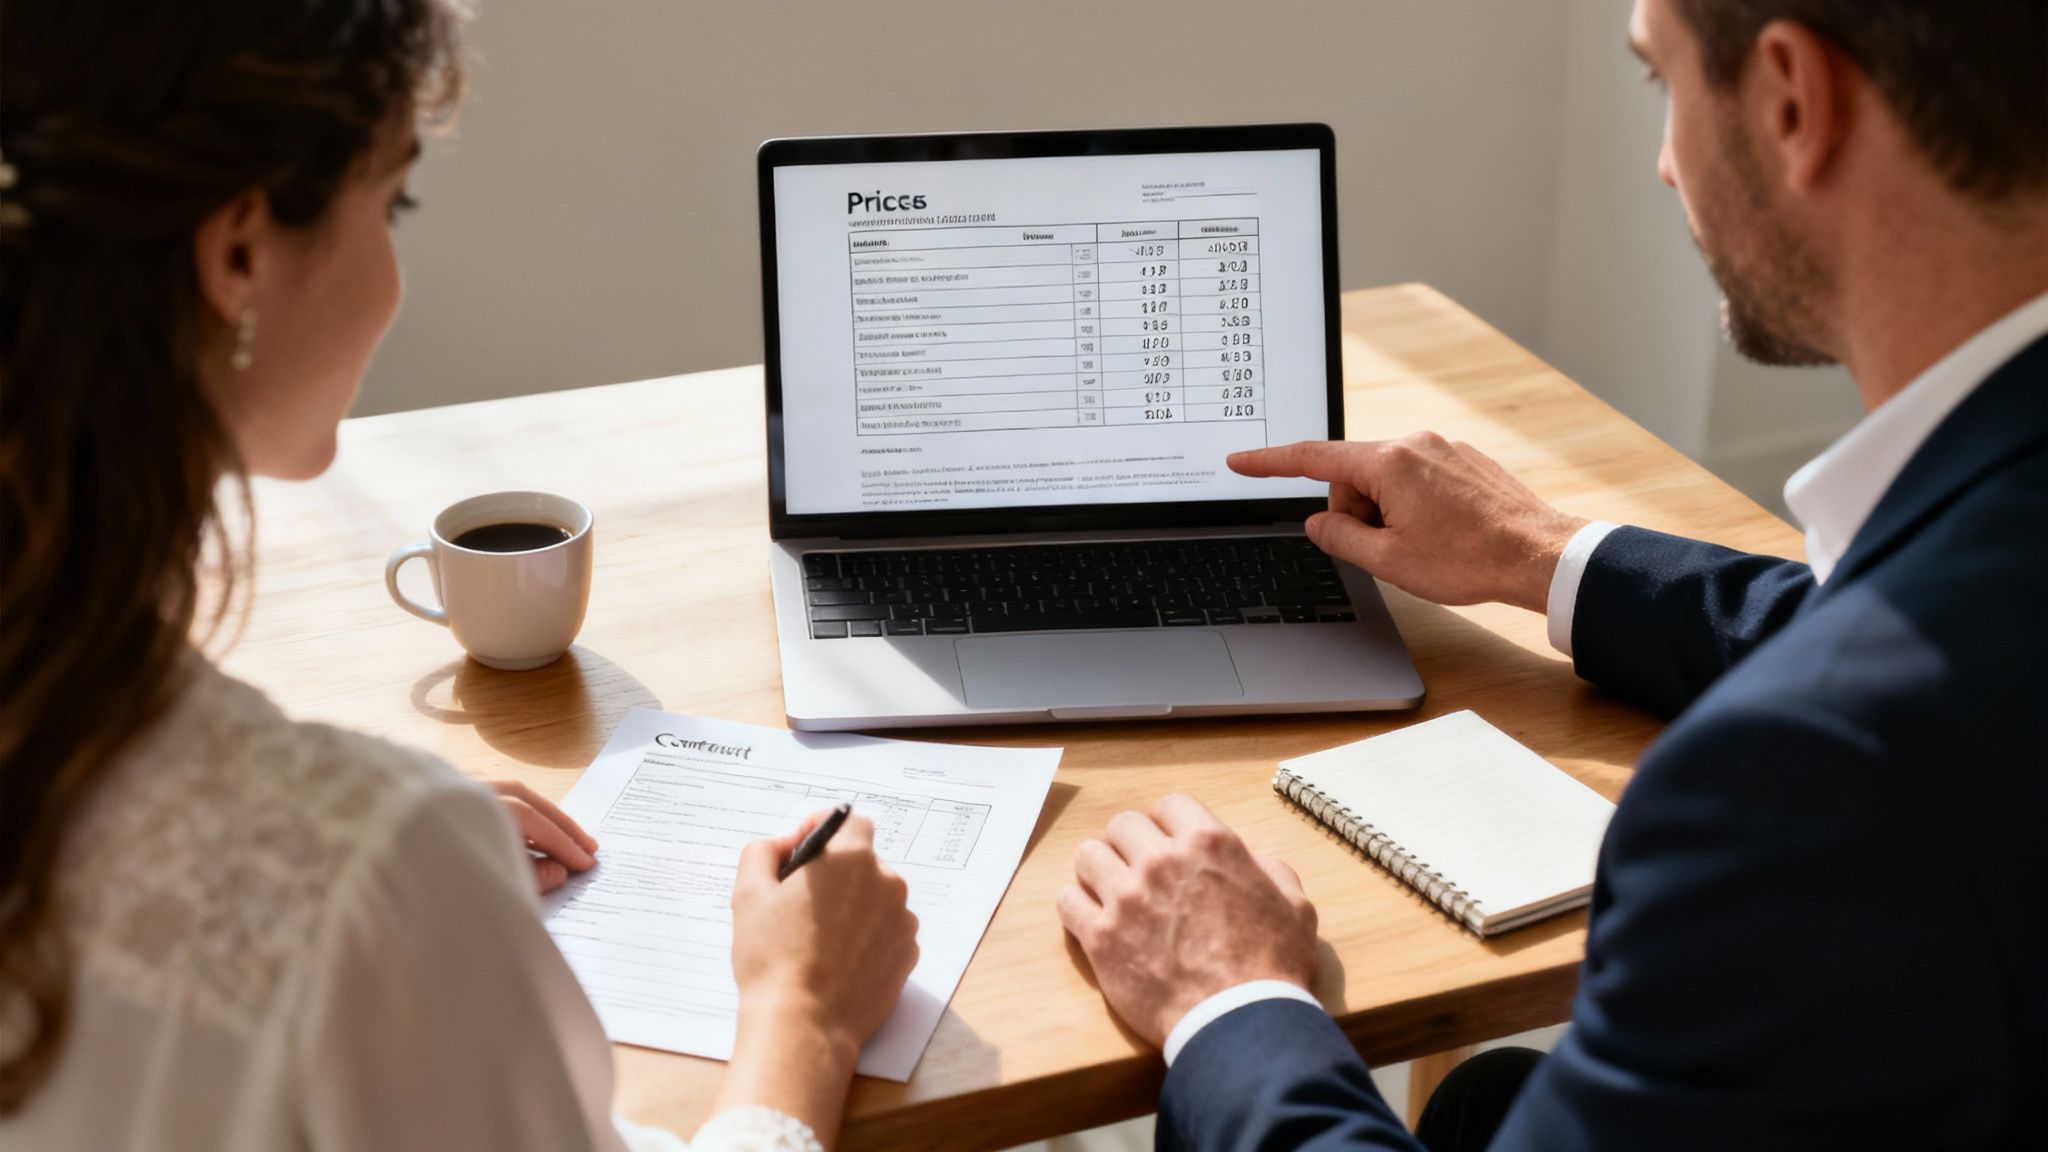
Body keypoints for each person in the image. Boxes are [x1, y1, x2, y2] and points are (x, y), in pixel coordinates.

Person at [1057, 1, 2048, 1148]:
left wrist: (1226, 999)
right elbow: (1937, 650)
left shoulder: (1800, 789)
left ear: (1789, 100)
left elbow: (1885, 716)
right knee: (1487, 1104)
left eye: (1658, 84)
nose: (1665, 164)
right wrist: (1545, 555)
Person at [0, 2, 917, 1149]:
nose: (394, 272)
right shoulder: (368, 874)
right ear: (238, 251)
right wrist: (804, 1015)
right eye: (390, 201)